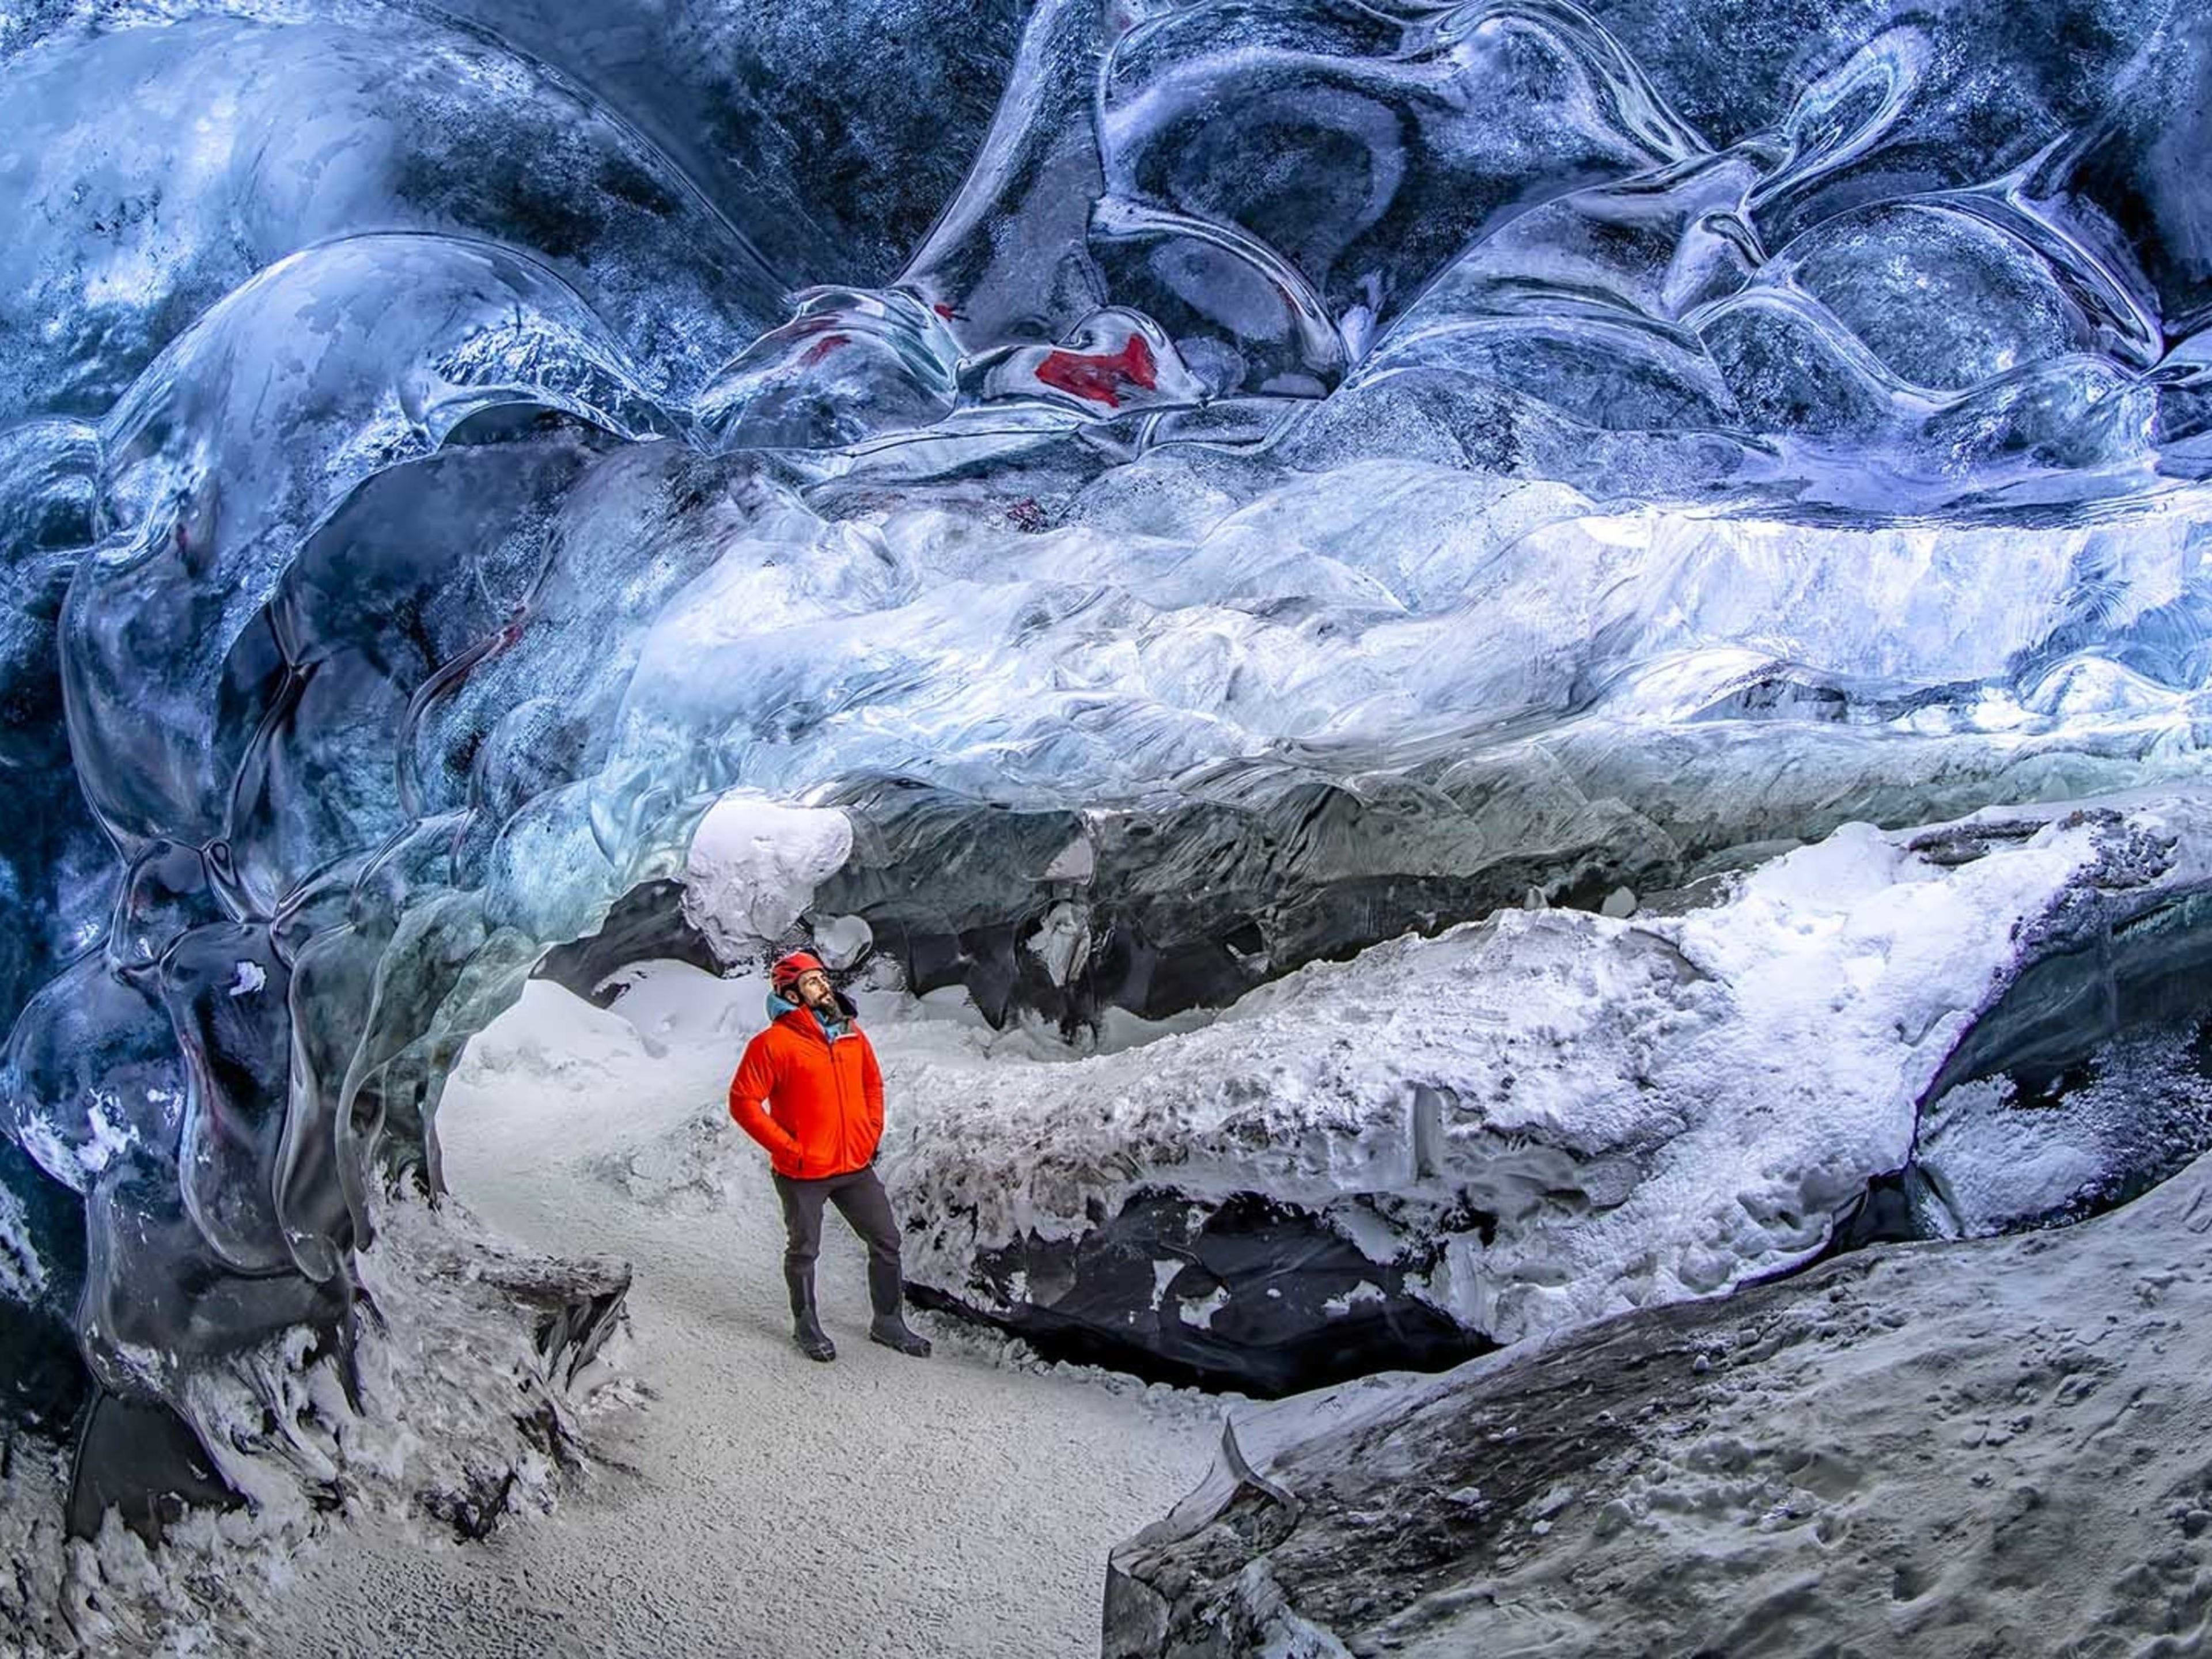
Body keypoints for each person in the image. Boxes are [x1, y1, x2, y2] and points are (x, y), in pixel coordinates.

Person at [728, 951, 932, 1363]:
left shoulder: (850, 1033)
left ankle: (888, 1322)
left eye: (823, 978)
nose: (823, 986)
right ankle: (807, 1326)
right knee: (804, 1250)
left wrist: (870, 1131)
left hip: (854, 1166)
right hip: (803, 1172)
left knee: (886, 1240)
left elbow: (872, 1084)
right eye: (812, 981)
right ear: (791, 994)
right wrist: (789, 1147)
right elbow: (743, 1102)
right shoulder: (772, 1044)